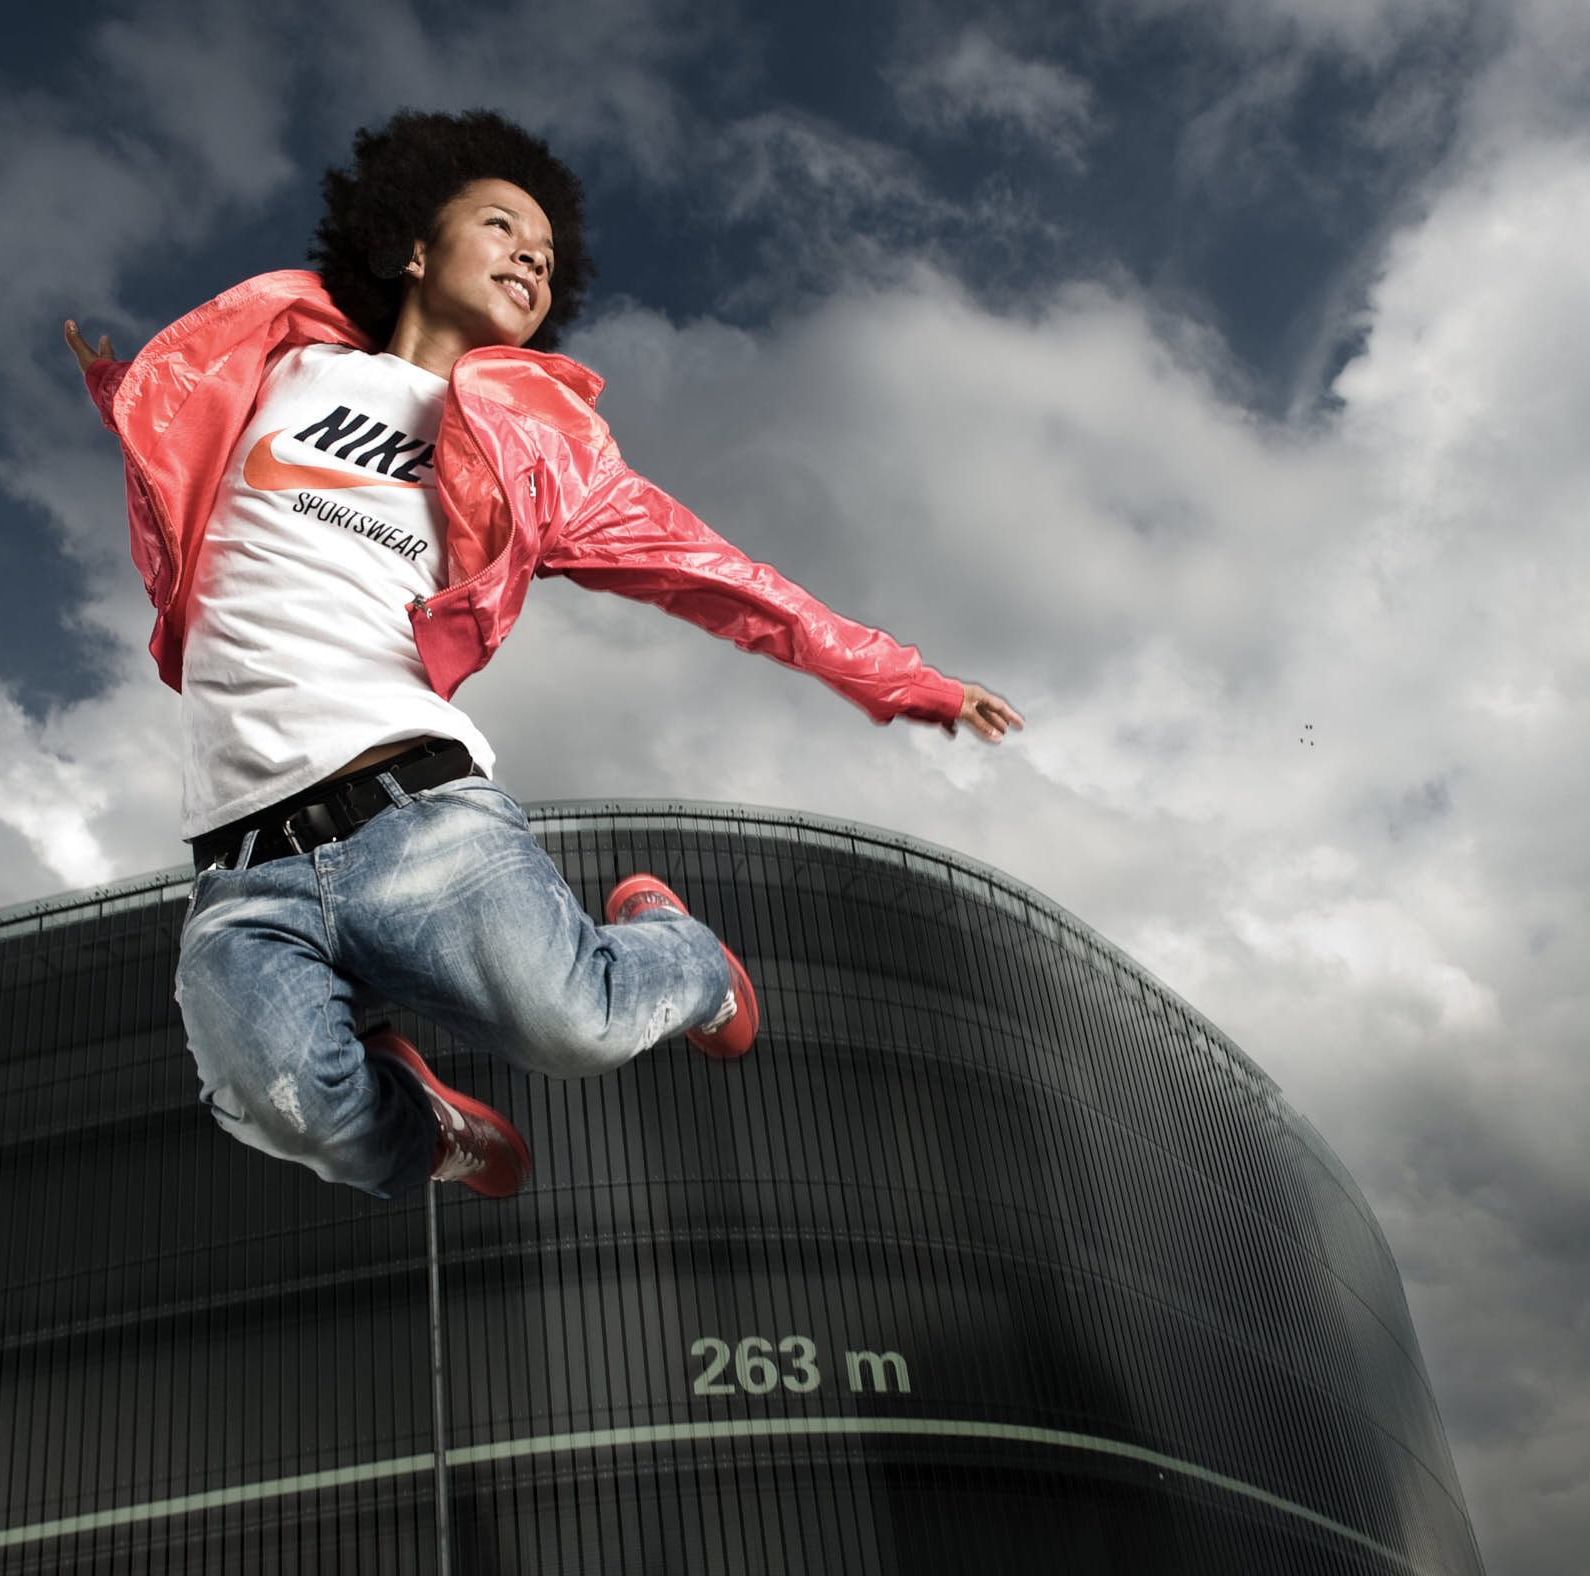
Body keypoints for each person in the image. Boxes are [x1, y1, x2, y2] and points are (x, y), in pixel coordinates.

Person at [68, 109, 1021, 1205]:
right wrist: (120, 397)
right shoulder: (280, 369)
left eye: (547, 254)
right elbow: (180, 453)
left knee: (578, 1026)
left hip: (412, 819)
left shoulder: (540, 455)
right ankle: (427, 1130)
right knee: (288, 1109)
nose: (531, 253)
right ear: (415, 247)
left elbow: (724, 579)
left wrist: (910, 680)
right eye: (501, 225)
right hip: (237, 874)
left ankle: (684, 955)